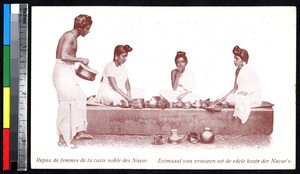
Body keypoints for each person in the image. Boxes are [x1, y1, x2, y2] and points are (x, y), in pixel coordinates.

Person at [53, 14, 93, 148]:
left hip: (67, 71)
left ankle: (80, 130)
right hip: (62, 71)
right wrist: (81, 59)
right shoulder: (70, 35)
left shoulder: (74, 36)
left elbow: (68, 58)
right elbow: (63, 56)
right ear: (81, 28)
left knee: (80, 97)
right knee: (67, 102)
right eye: (87, 28)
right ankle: (63, 138)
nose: (88, 31)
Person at [209, 45, 262, 124]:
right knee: (221, 95)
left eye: (236, 59)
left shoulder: (248, 70)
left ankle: (224, 105)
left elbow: (245, 92)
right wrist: (221, 99)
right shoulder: (237, 70)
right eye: (234, 58)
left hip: (251, 98)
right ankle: (223, 103)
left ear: (243, 61)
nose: (234, 60)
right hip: (240, 95)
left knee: (232, 98)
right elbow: (235, 88)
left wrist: (226, 100)